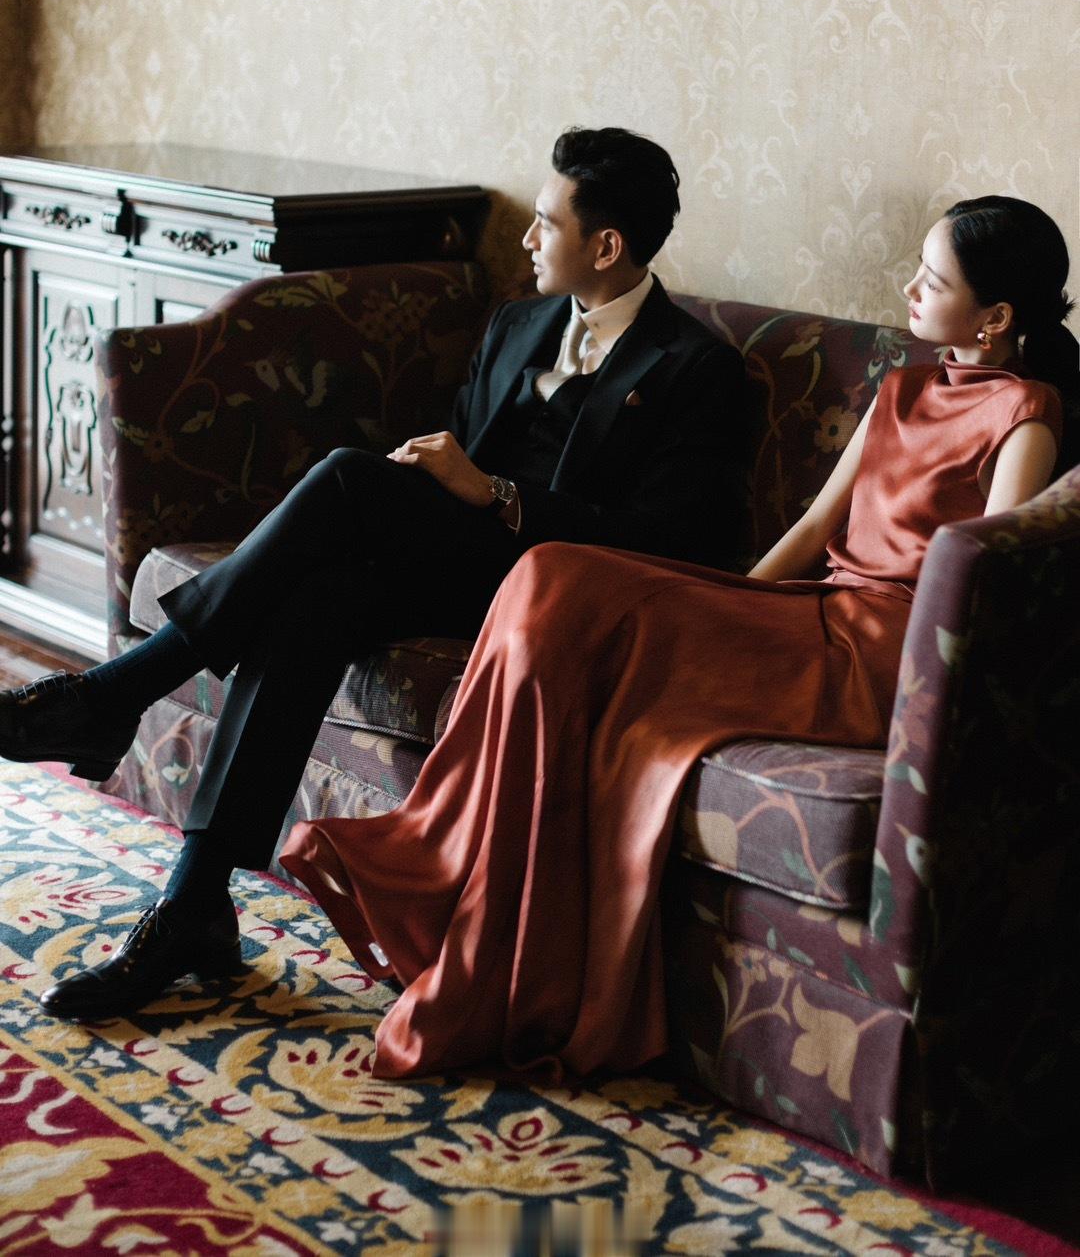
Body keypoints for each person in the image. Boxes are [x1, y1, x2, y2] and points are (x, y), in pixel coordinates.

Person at [271, 194, 1076, 1082]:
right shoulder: (903, 388)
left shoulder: (1027, 414)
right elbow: (815, 528)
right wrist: (729, 602)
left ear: (996, 317)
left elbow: (988, 581)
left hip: (883, 655)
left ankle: (454, 902)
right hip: (813, 612)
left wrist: (809, 639)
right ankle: (436, 865)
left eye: (933, 278)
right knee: (548, 575)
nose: (910, 288)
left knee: (569, 598)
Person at [0, 126, 748, 1018]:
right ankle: (194, 900)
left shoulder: (698, 370)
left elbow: (666, 543)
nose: (526, 237)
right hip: (463, 568)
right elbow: (461, 459)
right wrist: (433, 484)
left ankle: (117, 693)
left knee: (345, 479)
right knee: (315, 596)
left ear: (607, 245)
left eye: (547, 222)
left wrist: (498, 495)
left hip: (562, 592)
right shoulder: (516, 324)